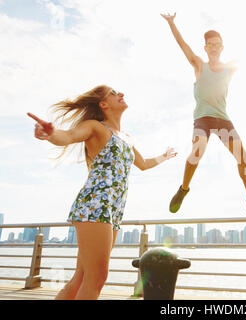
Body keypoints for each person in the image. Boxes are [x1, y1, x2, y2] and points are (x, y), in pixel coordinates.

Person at [27, 85, 177, 300]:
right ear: (103, 104)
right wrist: (50, 134)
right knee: (96, 278)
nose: (122, 93)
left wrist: (164, 156)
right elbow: (68, 136)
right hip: (95, 203)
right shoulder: (95, 127)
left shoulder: (126, 137)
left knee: (81, 279)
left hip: (113, 209)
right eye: (114, 93)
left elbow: (142, 164)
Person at [161, 12, 246, 216]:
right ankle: (184, 188)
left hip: (222, 119)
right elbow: (182, 44)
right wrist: (171, 23)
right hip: (203, 119)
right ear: (205, 48)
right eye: (210, 44)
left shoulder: (229, 68)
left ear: (222, 48)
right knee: (198, 150)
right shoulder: (198, 64)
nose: (214, 48)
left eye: (218, 44)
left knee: (243, 157)